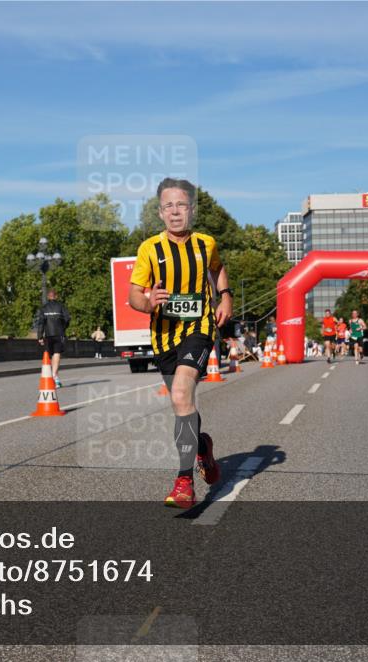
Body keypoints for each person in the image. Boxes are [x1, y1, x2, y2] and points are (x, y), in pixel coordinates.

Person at [128, 177, 232, 509]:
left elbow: (217, 270)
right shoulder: (149, 249)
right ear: (160, 213)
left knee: (181, 393)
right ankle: (203, 447)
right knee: (182, 404)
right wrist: (148, 301)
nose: (176, 212)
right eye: (169, 206)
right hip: (163, 337)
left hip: (199, 328)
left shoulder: (206, 243)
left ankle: (184, 480)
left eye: (182, 205)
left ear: (191, 209)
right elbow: (133, 295)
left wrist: (225, 297)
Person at [34, 288, 71, 386]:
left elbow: (41, 323)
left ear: (48, 297)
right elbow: (67, 319)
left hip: (48, 334)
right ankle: (55, 375)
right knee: (57, 353)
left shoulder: (44, 308)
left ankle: (52, 374)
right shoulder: (61, 306)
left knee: (49, 355)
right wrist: (63, 327)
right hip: (59, 333)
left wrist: (40, 336)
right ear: (56, 296)